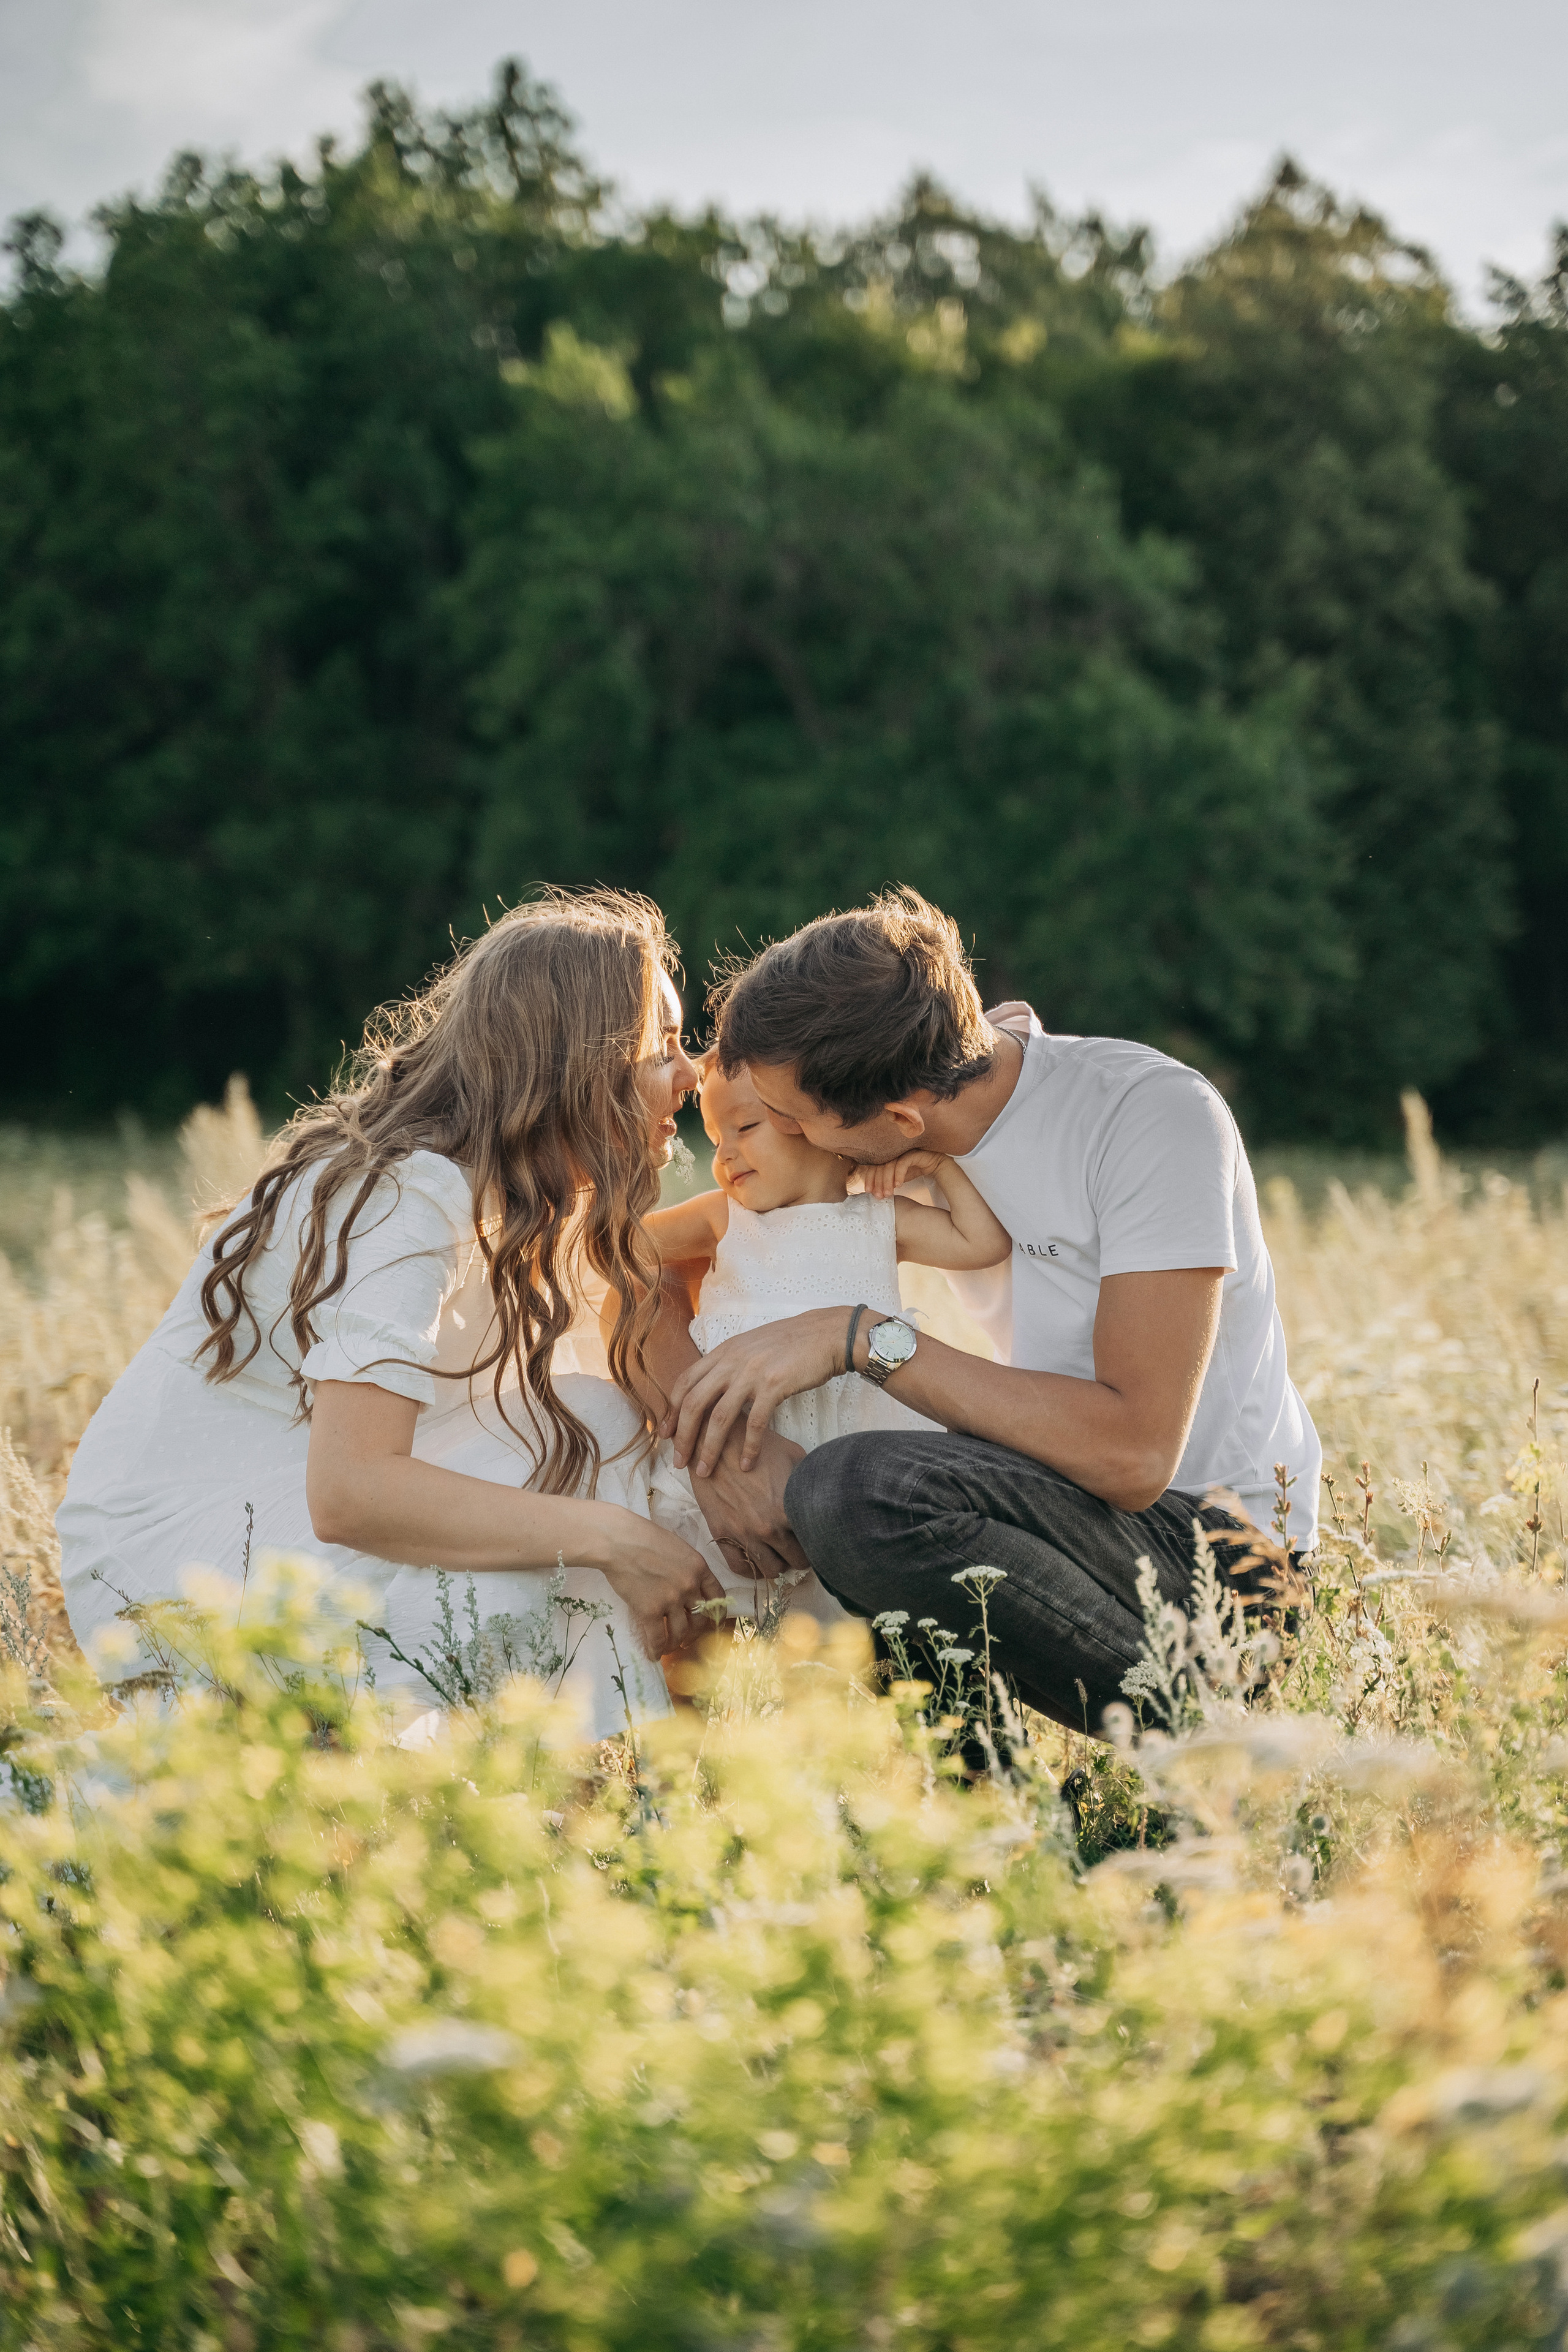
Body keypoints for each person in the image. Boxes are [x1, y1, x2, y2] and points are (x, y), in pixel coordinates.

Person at [56, 890, 725, 1738]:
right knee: (575, 1537)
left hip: (280, 1514)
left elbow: (635, 1319)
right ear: (577, 1061)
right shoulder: (413, 1194)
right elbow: (352, 1491)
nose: (692, 1072)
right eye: (662, 1046)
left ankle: (632, 1773)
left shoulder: (522, 1201)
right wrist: (617, 1539)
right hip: (177, 1557)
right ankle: (629, 1788)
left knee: (591, 1423)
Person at [654, 889, 1322, 1735]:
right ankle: (968, 1819)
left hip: (1219, 1559)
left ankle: (1226, 1743)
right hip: (1064, 1503)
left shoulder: (1151, 1120)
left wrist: (855, 1337)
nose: (783, 1140)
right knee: (829, 1484)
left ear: (896, 1117)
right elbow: (646, 1265)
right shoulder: (924, 1105)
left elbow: (1134, 1456)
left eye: (792, 1120)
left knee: (856, 1489)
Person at [636, 1054, 1010, 1624]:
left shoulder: (879, 1218)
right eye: (714, 1139)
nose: (725, 1155)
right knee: (732, 1605)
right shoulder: (724, 1218)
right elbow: (619, 1248)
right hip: (752, 1449)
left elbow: (981, 1242)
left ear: (811, 1119)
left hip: (857, 1447)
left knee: (856, 1615)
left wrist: (936, 1166)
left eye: (745, 1128)